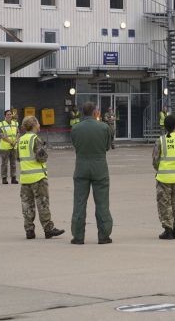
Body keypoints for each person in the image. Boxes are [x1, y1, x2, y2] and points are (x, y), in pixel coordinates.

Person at [70, 101, 113, 245]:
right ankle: (104, 235)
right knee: (102, 203)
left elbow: (75, 146)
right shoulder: (104, 127)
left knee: (79, 203)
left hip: (81, 166)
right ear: (95, 112)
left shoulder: (75, 128)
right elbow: (107, 147)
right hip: (99, 167)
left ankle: (78, 236)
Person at [17, 116, 64, 240]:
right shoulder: (35, 139)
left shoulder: (20, 140)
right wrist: (44, 150)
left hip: (25, 178)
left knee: (27, 205)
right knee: (43, 204)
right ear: (33, 125)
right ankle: (48, 229)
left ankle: (29, 230)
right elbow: (41, 157)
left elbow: (18, 158)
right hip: (38, 178)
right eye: (37, 123)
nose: (39, 125)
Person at [0, 109, 19, 185]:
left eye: (10, 114)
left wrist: (15, 141)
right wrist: (10, 142)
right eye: (8, 114)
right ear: (5, 116)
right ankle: (4, 178)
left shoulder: (15, 123)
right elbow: (1, 135)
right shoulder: (1, 124)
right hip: (5, 147)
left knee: (13, 164)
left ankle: (13, 178)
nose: (9, 116)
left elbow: (18, 133)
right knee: (4, 163)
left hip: (13, 147)